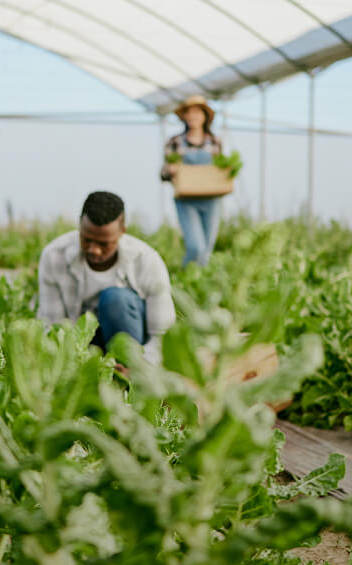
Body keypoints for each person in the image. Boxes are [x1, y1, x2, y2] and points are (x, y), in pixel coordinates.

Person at [37, 191, 175, 365]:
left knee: (114, 299)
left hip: (132, 342)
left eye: (104, 244)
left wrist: (141, 367)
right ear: (79, 225)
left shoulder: (147, 261)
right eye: (87, 240)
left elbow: (162, 336)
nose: (94, 250)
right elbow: (52, 326)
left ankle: (125, 366)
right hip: (82, 346)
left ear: (122, 231)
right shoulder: (54, 255)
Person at [161, 95, 224, 266]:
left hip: (211, 199)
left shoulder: (215, 142)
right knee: (195, 246)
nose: (193, 116)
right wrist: (170, 170)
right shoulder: (174, 142)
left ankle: (198, 286)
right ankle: (184, 279)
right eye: (189, 113)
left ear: (205, 116)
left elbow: (220, 170)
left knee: (207, 249)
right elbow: (163, 173)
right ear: (184, 117)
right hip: (186, 200)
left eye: (197, 112)